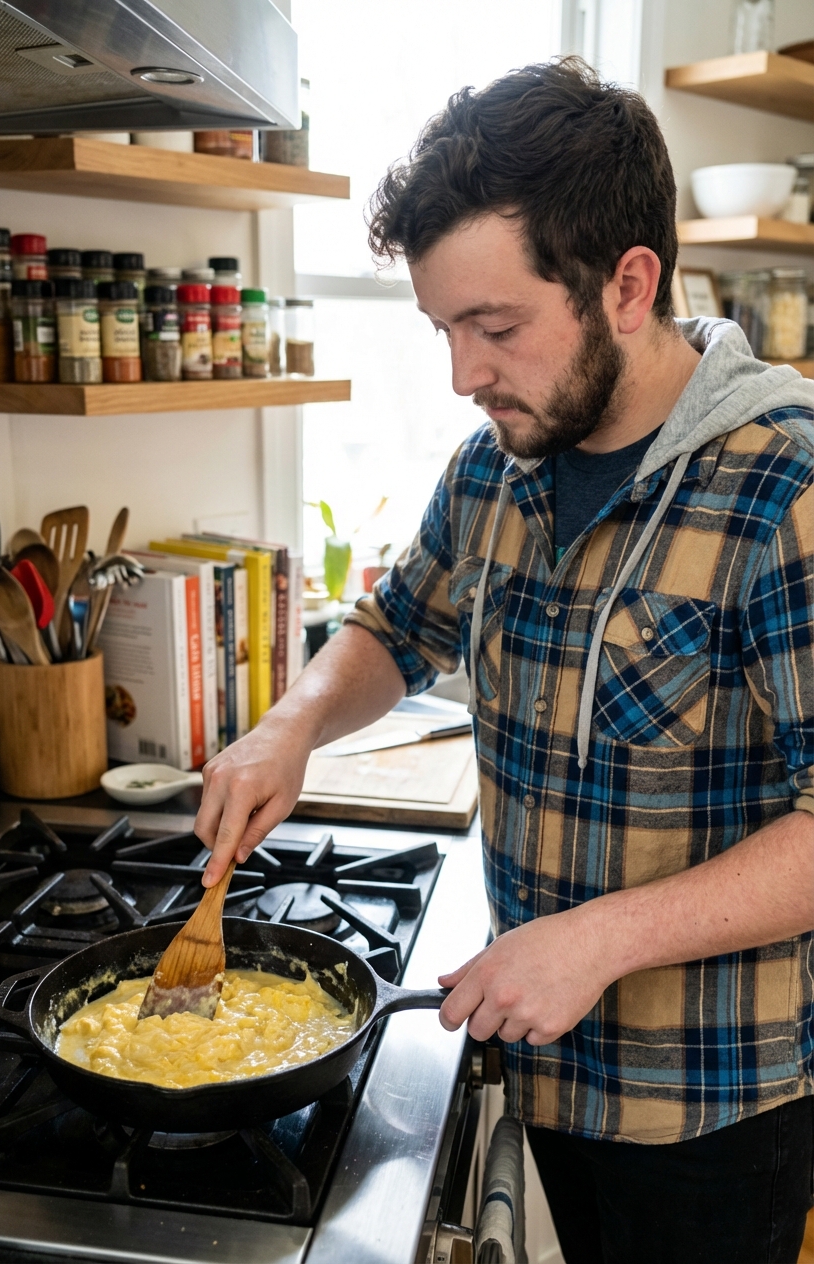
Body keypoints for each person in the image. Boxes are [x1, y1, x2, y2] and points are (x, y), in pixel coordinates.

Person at [195, 59, 814, 1263]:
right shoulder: (498, 462)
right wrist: (292, 726)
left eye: (493, 327)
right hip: (539, 1061)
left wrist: (595, 938)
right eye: (443, 328)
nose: (461, 374)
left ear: (626, 284)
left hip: (704, 1109)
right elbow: (393, 626)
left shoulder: (782, 486)